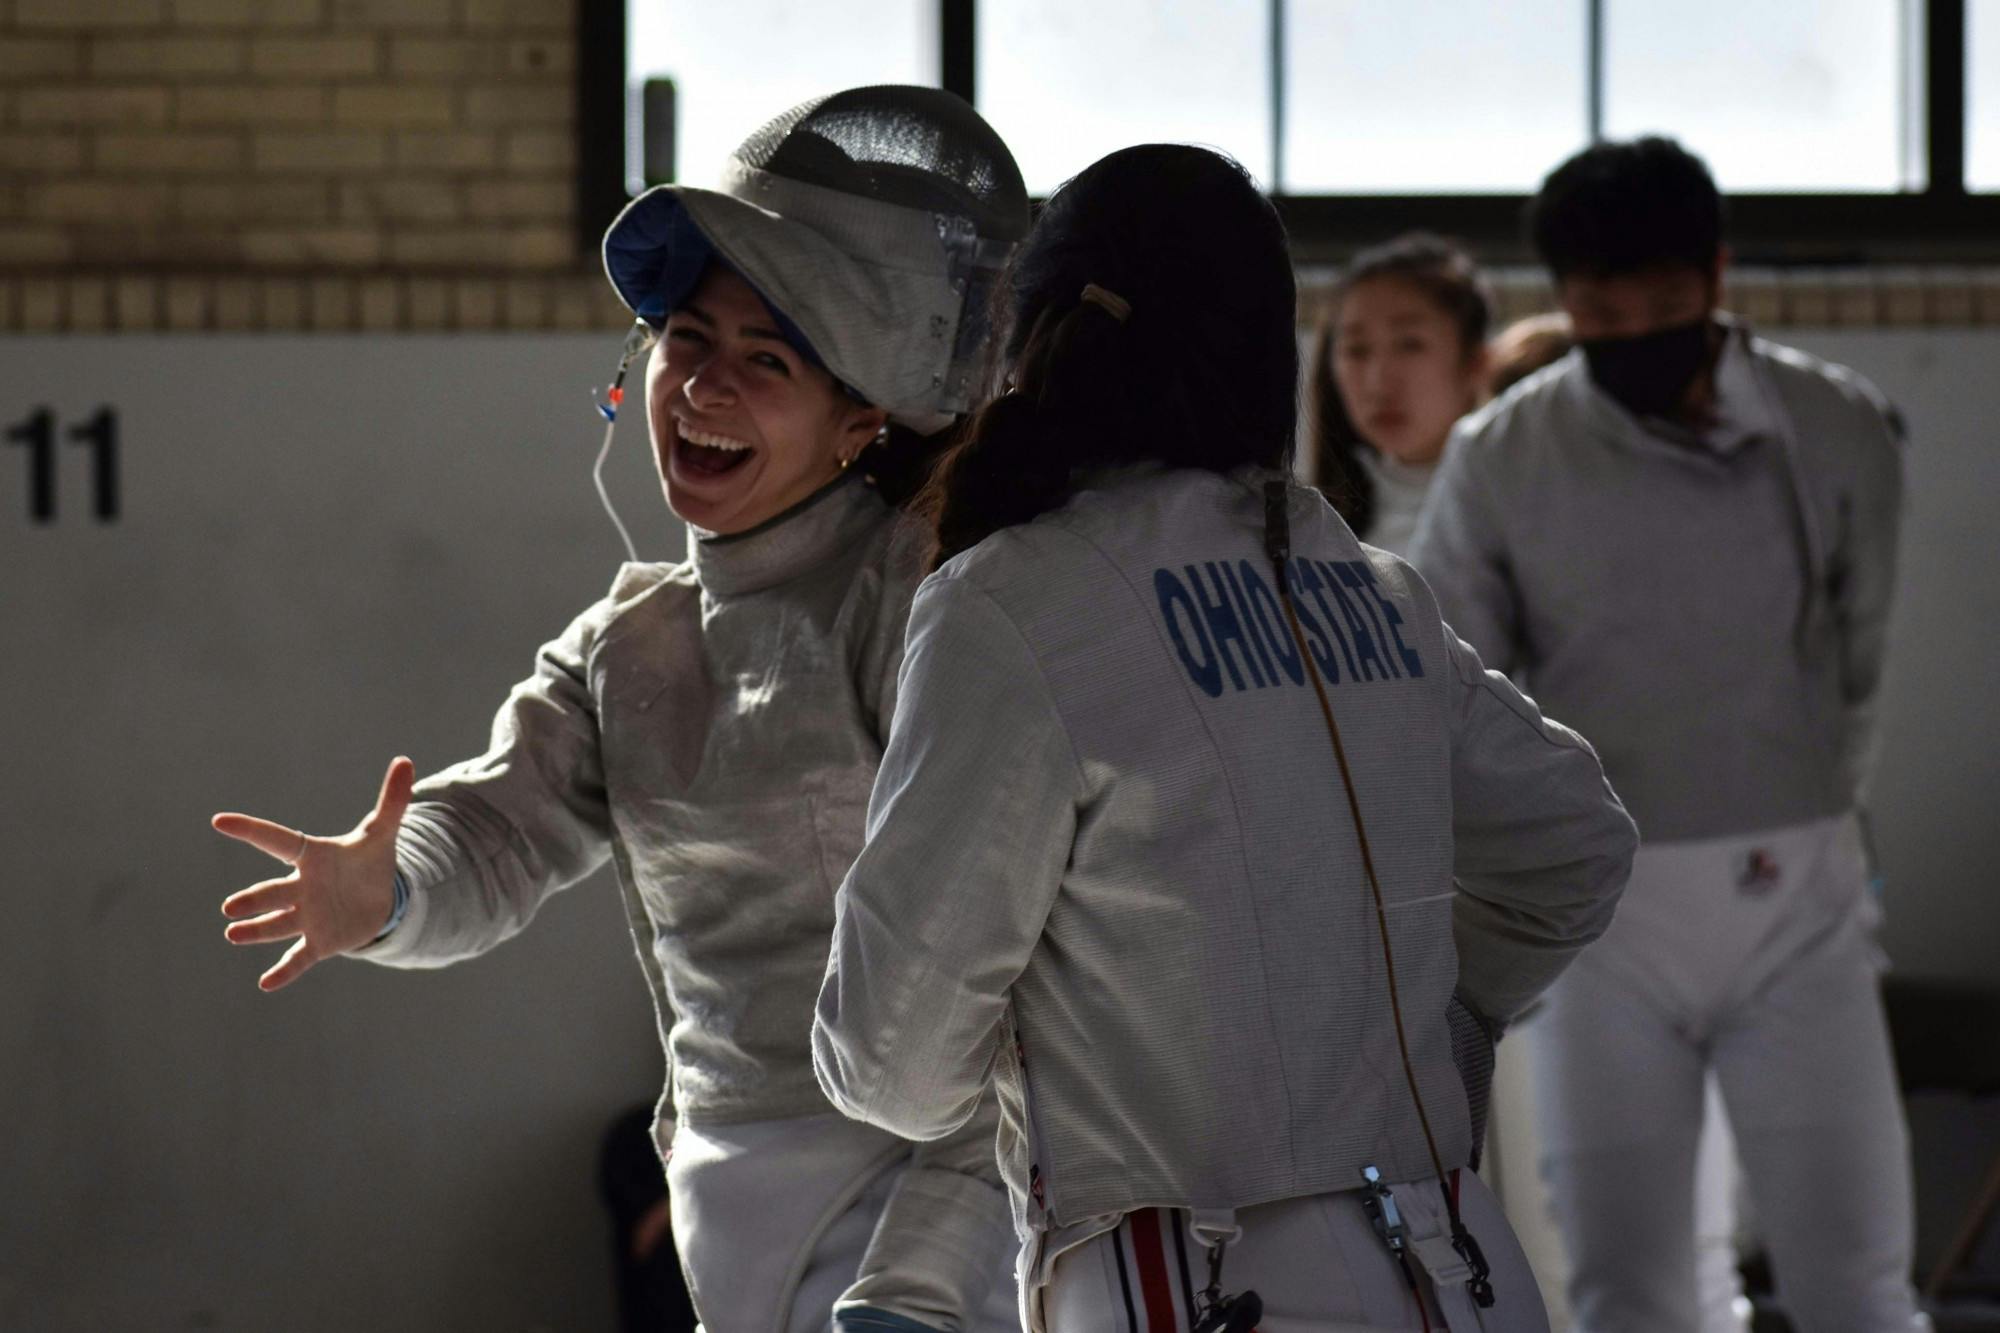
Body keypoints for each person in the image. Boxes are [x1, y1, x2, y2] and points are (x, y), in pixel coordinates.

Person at [211, 86, 1029, 1333]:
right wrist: (387, 892)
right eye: (688, 341)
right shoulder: (626, 644)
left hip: (917, 1182)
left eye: (767, 361)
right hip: (724, 1175)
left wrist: (923, 1281)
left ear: (860, 417)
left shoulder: (913, 601)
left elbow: (999, 967)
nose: (704, 387)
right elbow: (493, 828)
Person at [809, 142, 1638, 1332]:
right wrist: (1435, 1023)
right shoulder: (1371, 588)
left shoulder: (1015, 602)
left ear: (1034, 334)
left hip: (1198, 1283)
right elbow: (1577, 841)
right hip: (1461, 1272)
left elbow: (889, 1061)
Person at [1410, 135, 1923, 1333]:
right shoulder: (1504, 457)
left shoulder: (1832, 428)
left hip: (1798, 897)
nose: (1633, 331)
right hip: (1600, 921)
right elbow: (1451, 686)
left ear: (1716, 276)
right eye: (1601, 310)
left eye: (1662, 307)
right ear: (1564, 304)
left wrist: (1809, 804)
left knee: (1851, 1281)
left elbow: (1860, 653)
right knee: (1629, 1290)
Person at [1303, 234, 1491, 556]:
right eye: (1356, 350)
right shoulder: (1312, 530)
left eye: (1410, 345)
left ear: (1475, 363)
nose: (1378, 382)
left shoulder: (1519, 508)